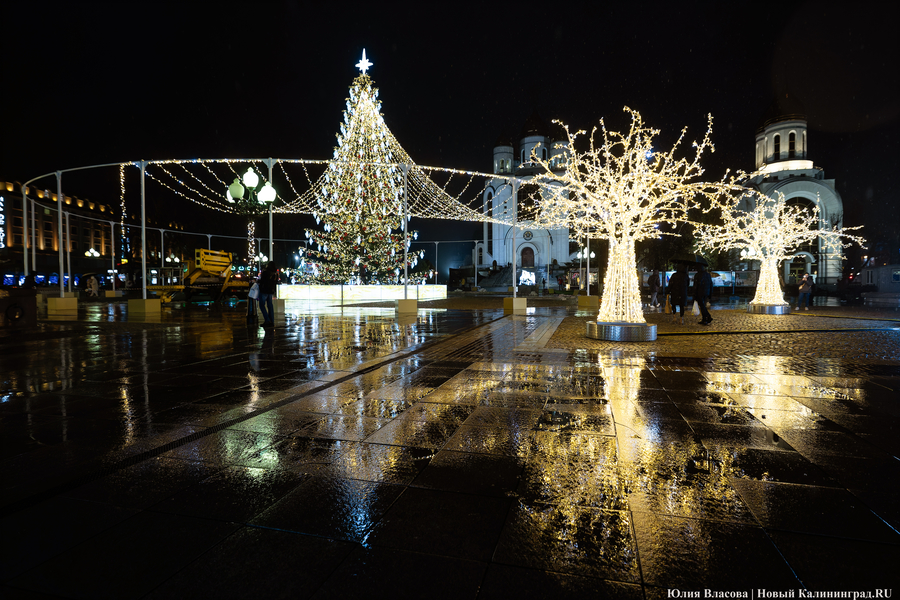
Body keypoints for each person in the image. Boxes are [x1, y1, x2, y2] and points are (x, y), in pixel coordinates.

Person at [257, 263, 280, 328]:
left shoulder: (266, 272)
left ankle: (267, 320)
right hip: (270, 291)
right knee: (270, 305)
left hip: (264, 290)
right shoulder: (275, 273)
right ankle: (271, 321)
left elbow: (262, 281)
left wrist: (259, 285)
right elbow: (275, 282)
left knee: (262, 305)